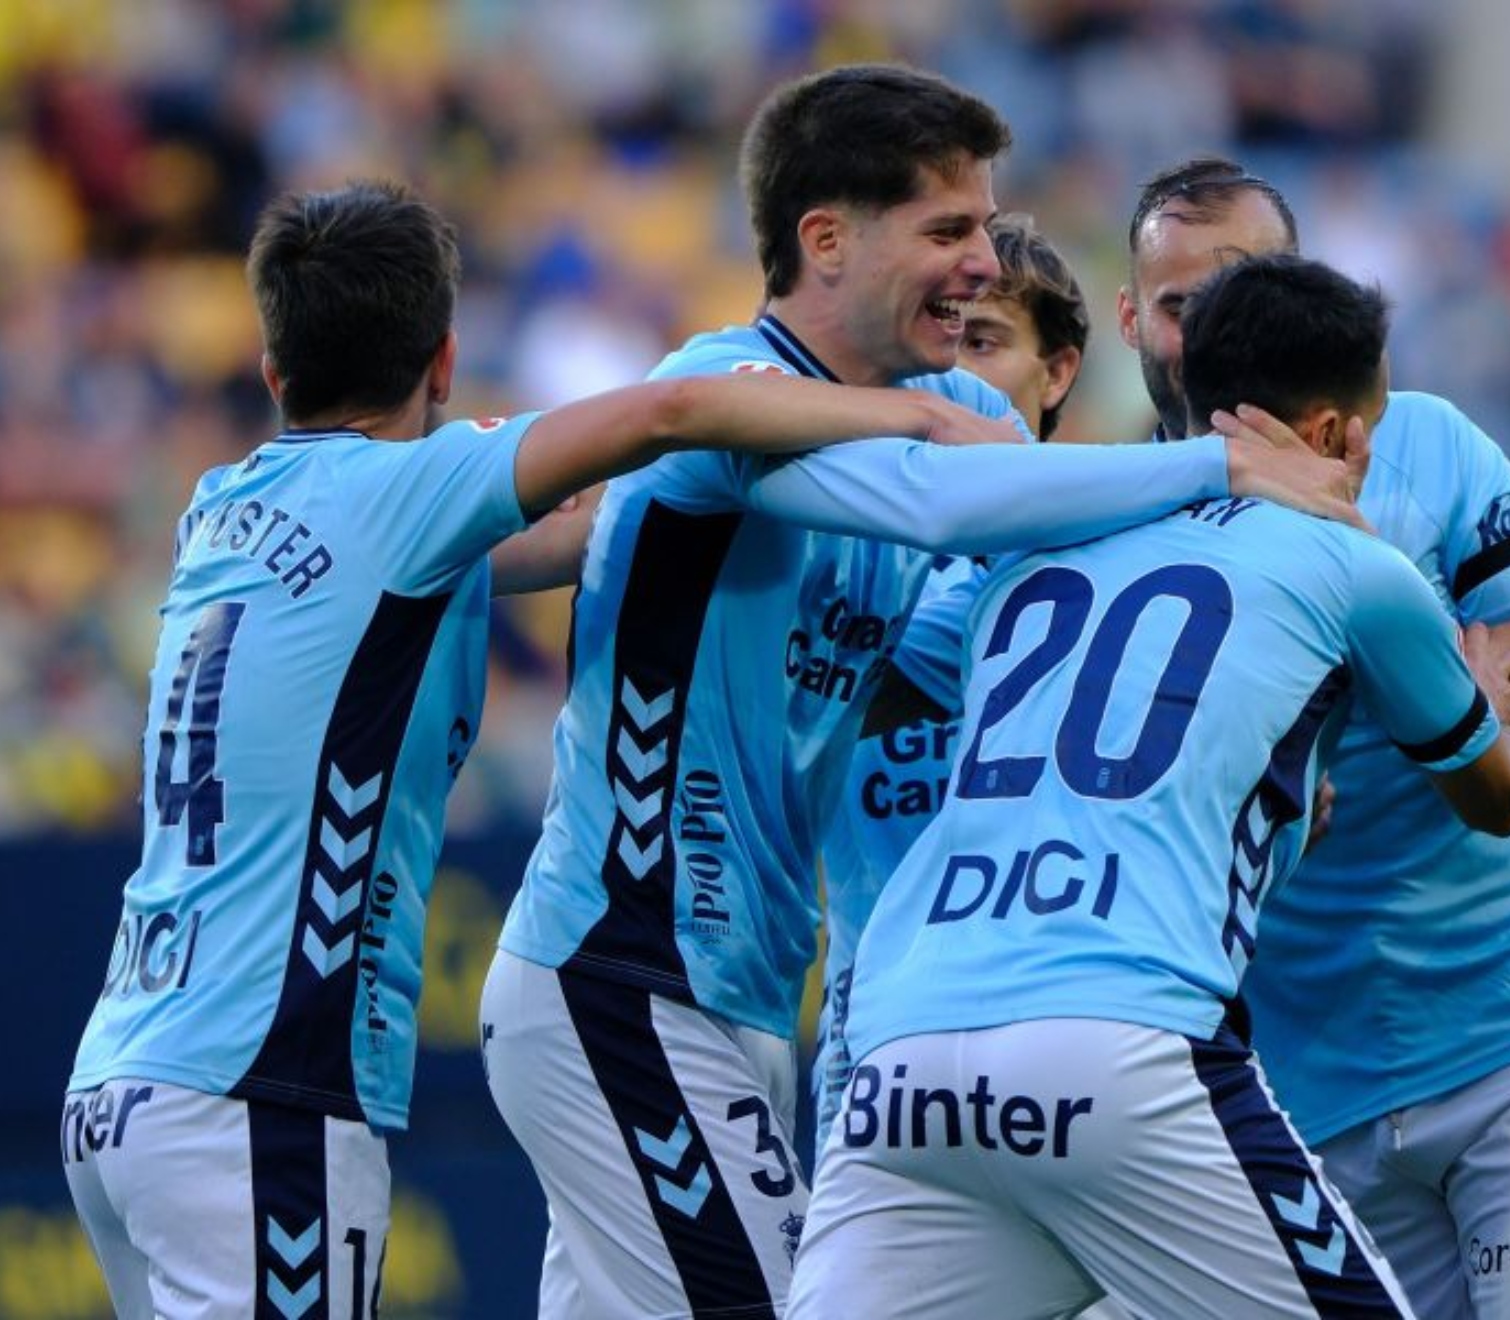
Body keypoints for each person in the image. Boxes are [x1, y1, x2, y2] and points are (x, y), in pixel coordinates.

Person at [56, 177, 1036, 1320]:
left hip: (121, 1081)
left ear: (274, 372)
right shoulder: (412, 491)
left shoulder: (225, 506)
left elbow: (584, 532)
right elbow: (667, 419)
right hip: (262, 1082)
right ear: (443, 360)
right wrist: (926, 416)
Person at [477, 65, 1361, 1319]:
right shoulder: (736, 392)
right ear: (826, 239)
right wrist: (1227, 468)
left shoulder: (942, 404)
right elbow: (952, 501)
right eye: (947, 232)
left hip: (739, 985)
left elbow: (1055, 538)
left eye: (984, 231)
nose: (979, 265)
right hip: (624, 967)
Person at [788, 253, 1510, 1320]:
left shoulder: (1037, 551)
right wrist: (1487, 699)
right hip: (1118, 1041)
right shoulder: (1359, 565)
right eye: (1368, 431)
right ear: (1334, 434)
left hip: (903, 1054)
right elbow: (1497, 799)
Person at [1119, 157, 1510, 1319]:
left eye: (1242, 286)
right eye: (1179, 304)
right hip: (1307, 1077)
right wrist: (1430, 677)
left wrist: (1414, 659)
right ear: (1129, 319)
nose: (1212, 327)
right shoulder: (1120, 503)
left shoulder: (1417, 440)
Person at [812, 212, 1090, 1167]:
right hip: (875, 1013)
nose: (957, 376)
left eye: (987, 341)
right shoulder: (852, 547)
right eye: (947, 340)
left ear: (1057, 372)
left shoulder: (1096, 559)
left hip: (1060, 1022)